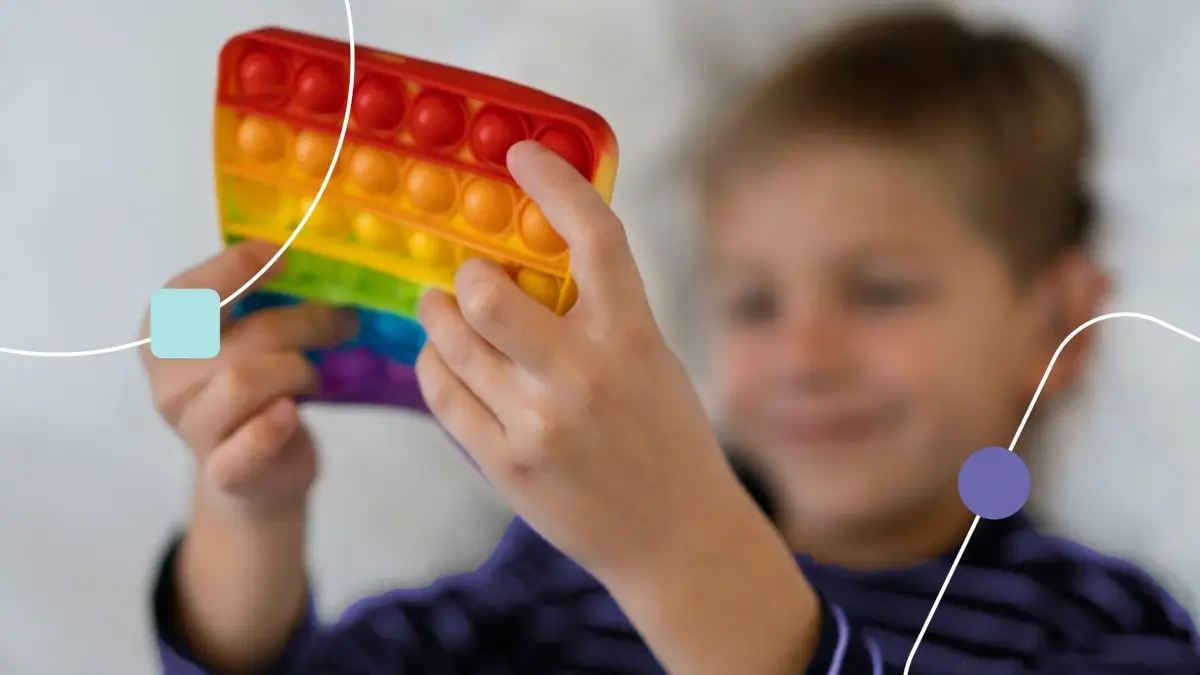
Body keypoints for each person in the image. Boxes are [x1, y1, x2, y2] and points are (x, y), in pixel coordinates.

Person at [141, 8, 1200, 674]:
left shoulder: (1092, 620)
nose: (804, 353)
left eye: (880, 292)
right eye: (751, 304)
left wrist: (673, 550)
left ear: (1060, 323)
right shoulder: (552, 572)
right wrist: (245, 500)